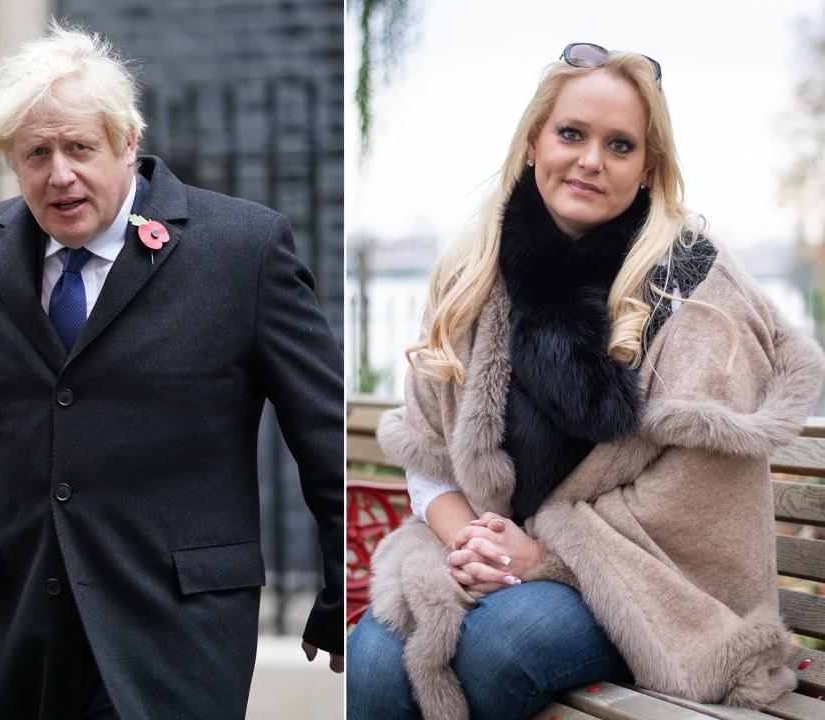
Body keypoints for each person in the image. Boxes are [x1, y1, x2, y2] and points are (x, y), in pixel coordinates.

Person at [0, 21, 343, 720]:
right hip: (26, 622)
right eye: (36, 153)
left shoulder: (244, 250)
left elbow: (324, 433)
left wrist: (347, 592)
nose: (59, 174)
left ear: (127, 142)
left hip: (179, 629)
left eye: (79, 147)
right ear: (11, 160)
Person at [347, 43, 825, 720]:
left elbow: (697, 500)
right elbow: (427, 451)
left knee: (503, 644)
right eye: (571, 133)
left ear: (648, 166)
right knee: (370, 661)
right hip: (494, 552)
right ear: (535, 142)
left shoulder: (697, 291)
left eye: (620, 144)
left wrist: (541, 554)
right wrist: (472, 541)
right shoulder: (473, 273)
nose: (591, 160)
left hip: (649, 584)